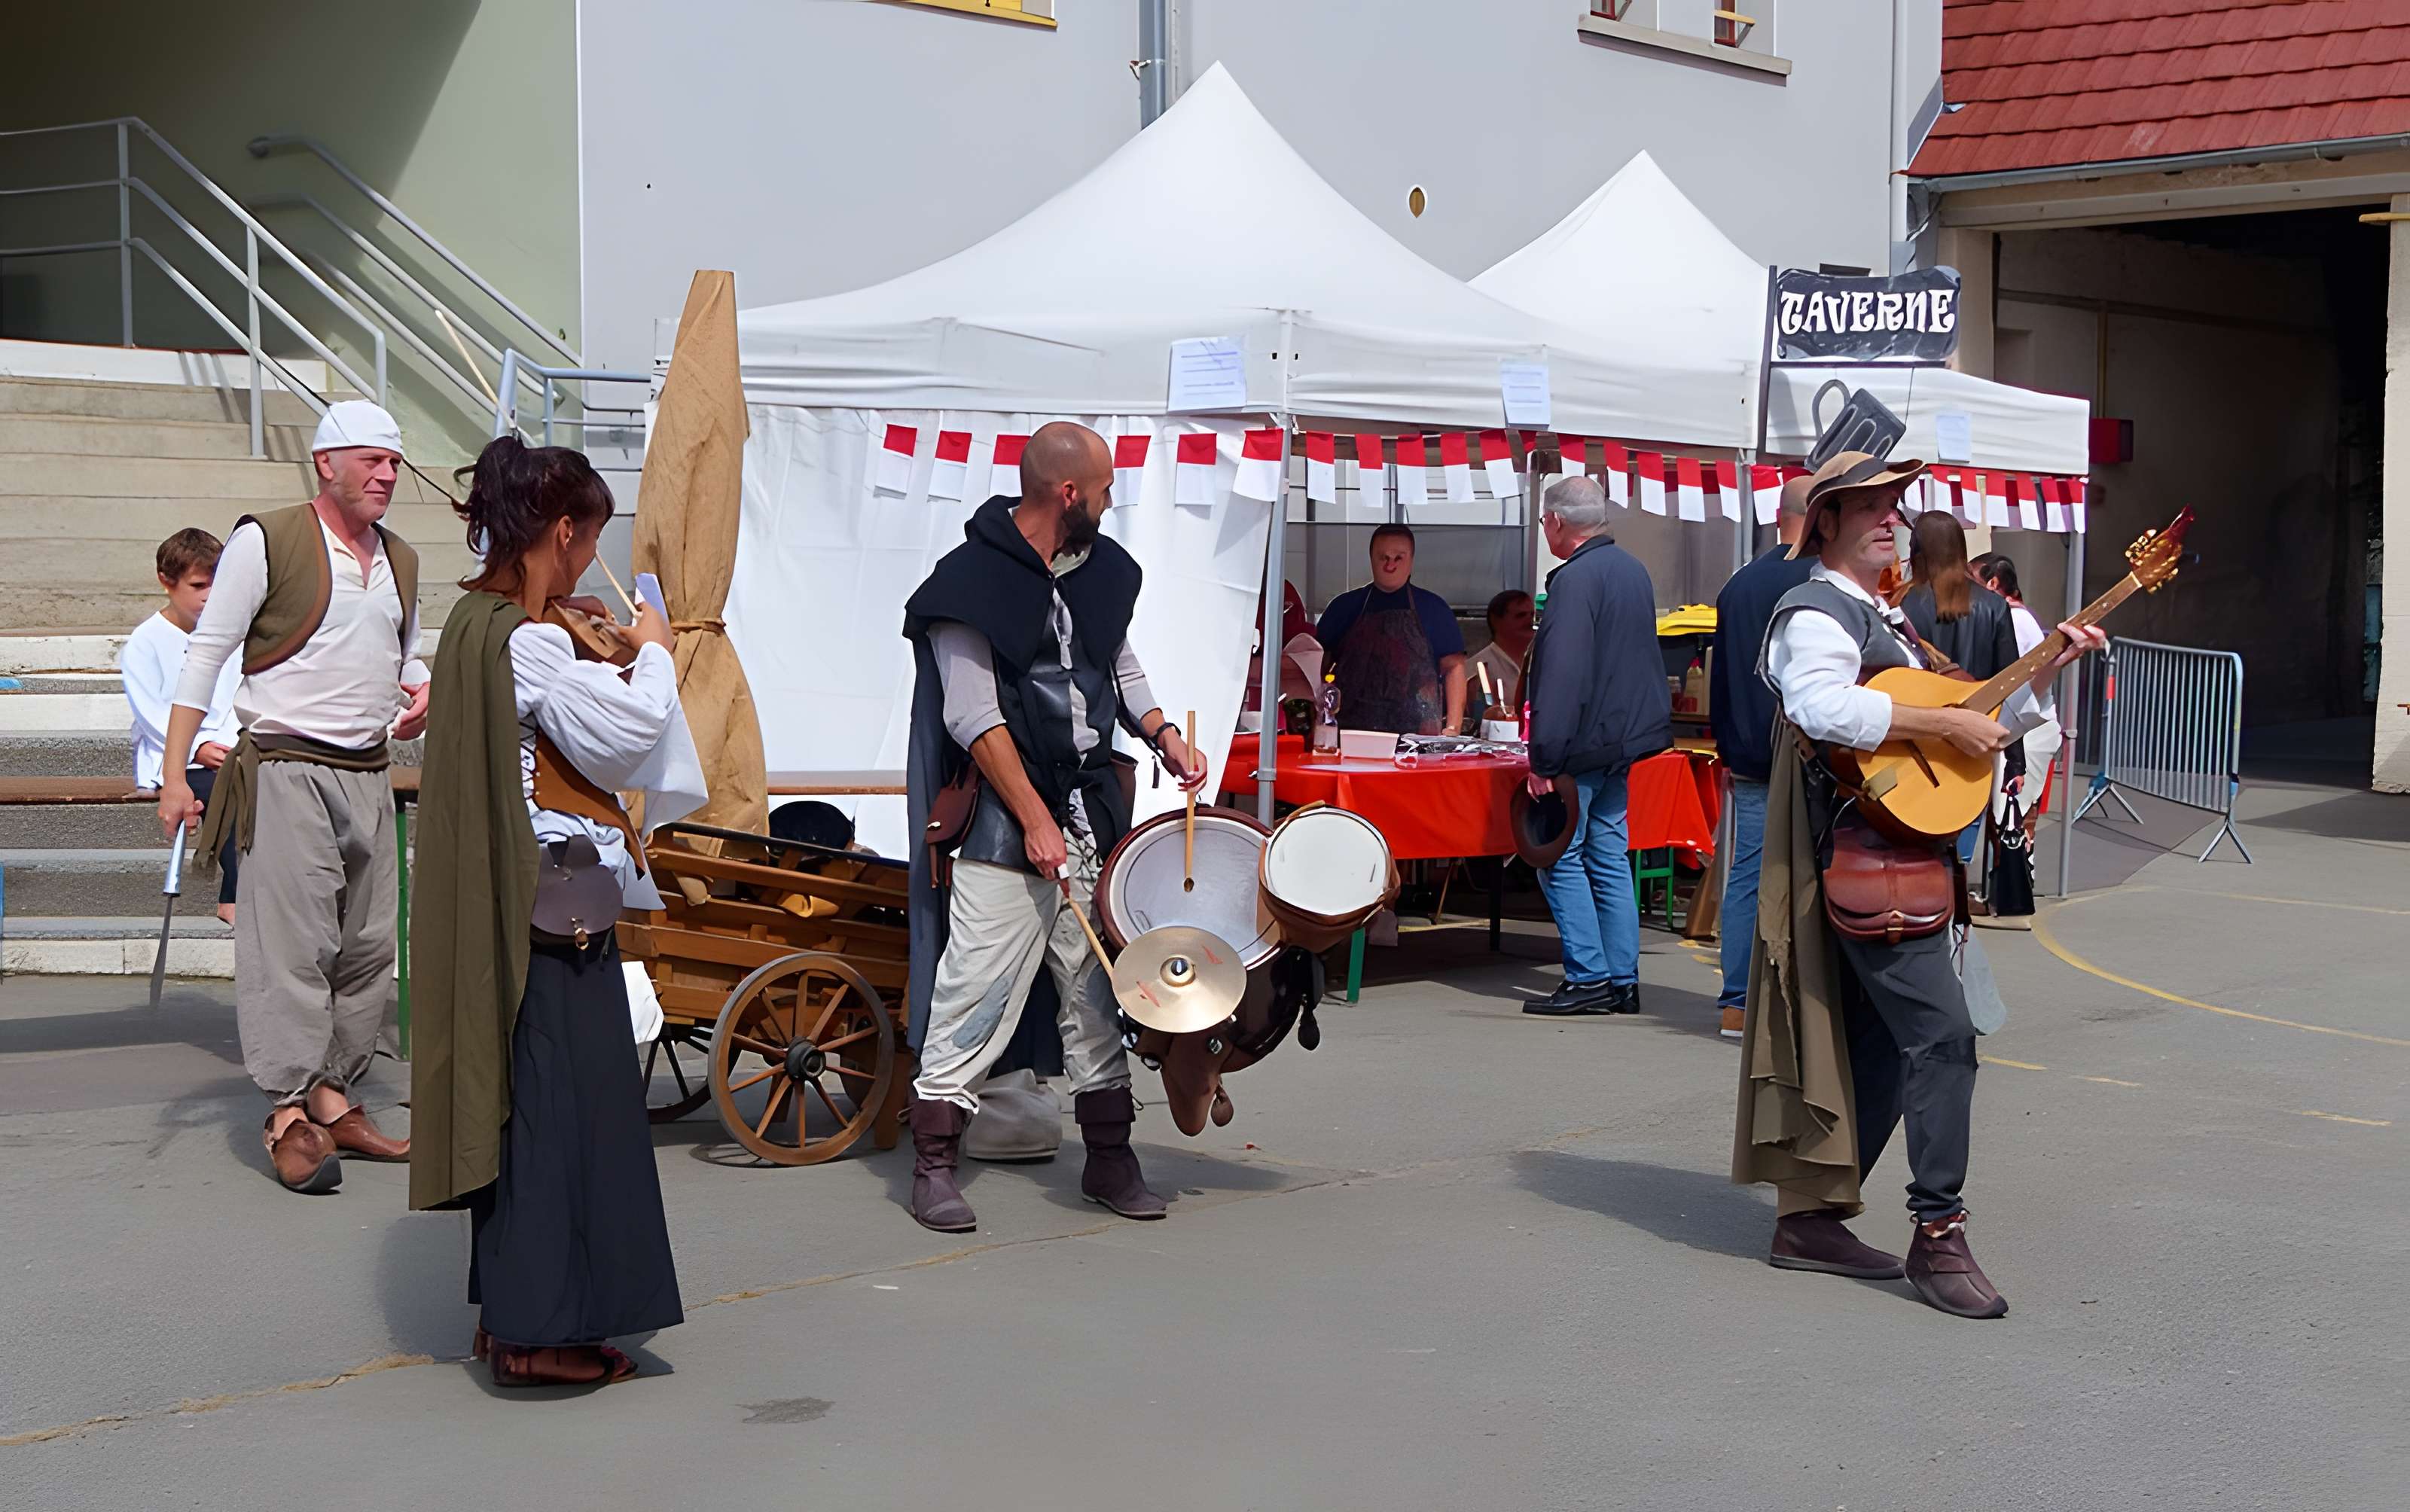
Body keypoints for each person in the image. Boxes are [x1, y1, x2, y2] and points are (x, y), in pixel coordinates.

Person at [1731, 452, 2103, 1319]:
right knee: (1942, 1039)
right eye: (1866, 506)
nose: (1888, 518)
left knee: (1875, 1048)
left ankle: (1812, 1219)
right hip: (1863, 859)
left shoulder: (1887, 619)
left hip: (1900, 851)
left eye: (1893, 504)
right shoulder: (1815, 609)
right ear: (1823, 521)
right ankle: (1937, 1234)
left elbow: (1974, 728)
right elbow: (1821, 707)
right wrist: (1938, 717)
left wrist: (2043, 670)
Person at [410, 436, 701, 1388]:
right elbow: (626, 739)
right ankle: (538, 1332)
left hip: (504, 900)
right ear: (564, 529)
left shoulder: (473, 623)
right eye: (586, 541)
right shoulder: (525, 638)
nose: (587, 564)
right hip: (550, 909)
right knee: (559, 1115)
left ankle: (517, 1314)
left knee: (524, 1109)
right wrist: (652, 656)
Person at [900, 421, 1207, 1233]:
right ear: (1067, 493)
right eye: (1103, 488)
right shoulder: (964, 584)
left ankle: (1109, 1157)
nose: (1111, 502)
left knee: (1098, 991)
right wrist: (1032, 819)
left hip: (1087, 814)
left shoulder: (1098, 570)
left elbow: (1116, 663)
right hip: (1006, 826)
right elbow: (972, 718)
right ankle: (933, 1165)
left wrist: (1161, 733)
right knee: (975, 994)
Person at [158, 401, 428, 1193]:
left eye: (393, 463)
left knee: (368, 947)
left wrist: (419, 693)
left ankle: (336, 1095)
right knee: (292, 947)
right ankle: (286, 1108)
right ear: (325, 463)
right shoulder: (265, 540)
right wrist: (175, 775)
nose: (386, 476)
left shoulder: (400, 558)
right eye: (371, 461)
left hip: (369, 770)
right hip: (284, 767)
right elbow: (205, 654)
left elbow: (404, 657)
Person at [1518, 477, 1672, 1017]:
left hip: (1582, 744)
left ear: (1557, 522)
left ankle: (1588, 976)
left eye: (1544, 521)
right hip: (1623, 740)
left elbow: (1561, 673)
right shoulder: (1632, 570)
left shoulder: (1575, 581)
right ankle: (1622, 979)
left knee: (1559, 855)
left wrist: (1544, 757)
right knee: (1608, 856)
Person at [1705, 477, 1815, 1040]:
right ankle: (1802, 1001)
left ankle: (1738, 1001)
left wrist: (1725, 744)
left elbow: (1720, 676)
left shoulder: (1740, 584)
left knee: (1748, 874)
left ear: (1777, 514)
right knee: (1813, 874)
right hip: (1812, 750)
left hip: (1748, 751)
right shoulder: (1825, 581)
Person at [124, 528, 244, 923]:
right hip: (174, 755)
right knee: (220, 786)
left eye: (216, 583)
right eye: (197, 585)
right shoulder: (145, 641)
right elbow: (152, 711)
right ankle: (234, 895)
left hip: (231, 746)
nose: (209, 595)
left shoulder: (233, 635)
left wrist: (228, 741)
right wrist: (197, 747)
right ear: (167, 582)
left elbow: (235, 695)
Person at [1899, 512, 2022, 867]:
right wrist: (2015, 759)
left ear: (1917, 552)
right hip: (1975, 744)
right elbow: (2008, 685)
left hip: (1914, 744)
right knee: (1960, 857)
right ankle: (1955, 922)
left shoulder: (1902, 604)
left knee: (1915, 853)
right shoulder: (1995, 605)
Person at [1314, 523, 1467, 734]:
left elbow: (1454, 668)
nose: (1390, 565)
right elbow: (1317, 666)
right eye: (1383, 557)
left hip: (1419, 738)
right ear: (1371, 559)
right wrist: (1318, 723)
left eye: (1398, 558)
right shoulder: (1343, 607)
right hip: (1349, 734)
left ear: (1411, 560)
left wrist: (1453, 726)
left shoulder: (1435, 609)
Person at [1974, 553, 2061, 823]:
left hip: (2027, 731)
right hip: (2024, 728)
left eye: (1973, 582)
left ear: (1992, 584)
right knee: (2012, 825)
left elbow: (2015, 686)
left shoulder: (2014, 620)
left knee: (2012, 826)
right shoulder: (2018, 617)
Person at [1469, 589, 1533, 725]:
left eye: (1532, 615)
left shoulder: (1542, 661)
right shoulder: (1476, 667)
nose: (1529, 620)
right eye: (1521, 615)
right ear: (1496, 620)